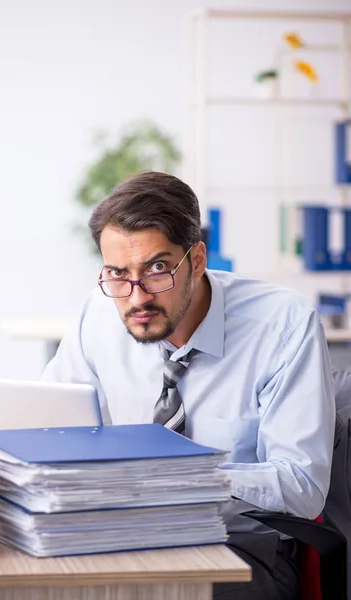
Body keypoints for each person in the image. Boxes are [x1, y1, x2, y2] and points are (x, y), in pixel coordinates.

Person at [42, 171, 335, 599]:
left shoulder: (284, 324)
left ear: (196, 260)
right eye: (118, 273)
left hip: (239, 544)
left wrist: (180, 478)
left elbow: (302, 488)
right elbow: (50, 430)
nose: (137, 296)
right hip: (119, 531)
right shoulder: (99, 314)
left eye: (157, 269)